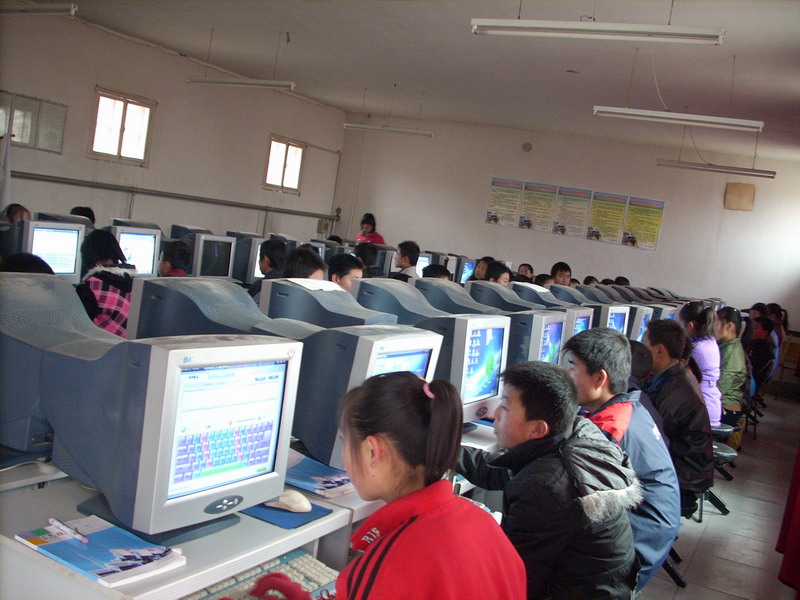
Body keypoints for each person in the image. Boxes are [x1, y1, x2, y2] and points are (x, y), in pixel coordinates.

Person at [457, 361, 641, 599]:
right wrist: (446, 448)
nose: (496, 414)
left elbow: (517, 580)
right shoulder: (576, 431)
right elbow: (503, 472)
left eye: (506, 406)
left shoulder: (546, 487)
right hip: (606, 584)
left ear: (537, 429)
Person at [334, 372, 527, 599]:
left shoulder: (388, 569)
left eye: (345, 442)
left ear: (372, 451)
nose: (344, 458)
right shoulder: (484, 524)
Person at [563, 328, 680, 590]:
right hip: (652, 531)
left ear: (599, 378)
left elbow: (567, 492)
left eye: (572, 367)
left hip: (636, 546)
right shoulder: (630, 404)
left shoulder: (610, 428)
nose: (566, 376)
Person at [642, 319, 714, 517]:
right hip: (683, 468)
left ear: (659, 351)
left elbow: (650, 440)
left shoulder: (675, 391)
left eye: (644, 344)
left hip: (682, 478)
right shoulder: (675, 374)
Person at [75, 229, 135, 338]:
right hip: (129, 344)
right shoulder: (135, 283)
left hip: (101, 345)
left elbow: (78, 327)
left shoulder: (89, 287)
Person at [679, 302, 722, 427]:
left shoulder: (697, 349)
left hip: (702, 412)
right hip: (710, 405)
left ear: (691, 325)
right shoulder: (710, 341)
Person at [715, 307, 748, 447]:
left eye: (715, 322)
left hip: (725, 410)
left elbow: (719, 387)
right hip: (723, 406)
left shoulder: (731, 351)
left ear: (729, 326)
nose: (711, 327)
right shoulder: (728, 346)